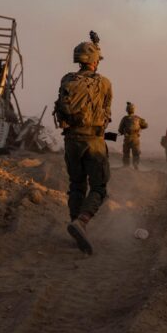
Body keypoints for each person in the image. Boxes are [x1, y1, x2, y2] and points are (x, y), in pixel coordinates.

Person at [53, 31, 112, 255]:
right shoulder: (104, 83)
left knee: (76, 185)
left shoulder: (66, 80)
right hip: (94, 141)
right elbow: (106, 112)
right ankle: (82, 222)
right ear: (94, 61)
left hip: (71, 141)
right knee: (99, 186)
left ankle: (75, 224)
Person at [118, 102, 149, 170]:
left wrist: (123, 131)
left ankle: (126, 166)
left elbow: (120, 130)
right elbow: (146, 125)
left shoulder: (124, 119)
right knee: (136, 153)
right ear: (133, 110)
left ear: (127, 110)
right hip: (135, 138)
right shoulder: (138, 118)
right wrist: (139, 128)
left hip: (127, 138)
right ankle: (135, 165)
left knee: (126, 153)